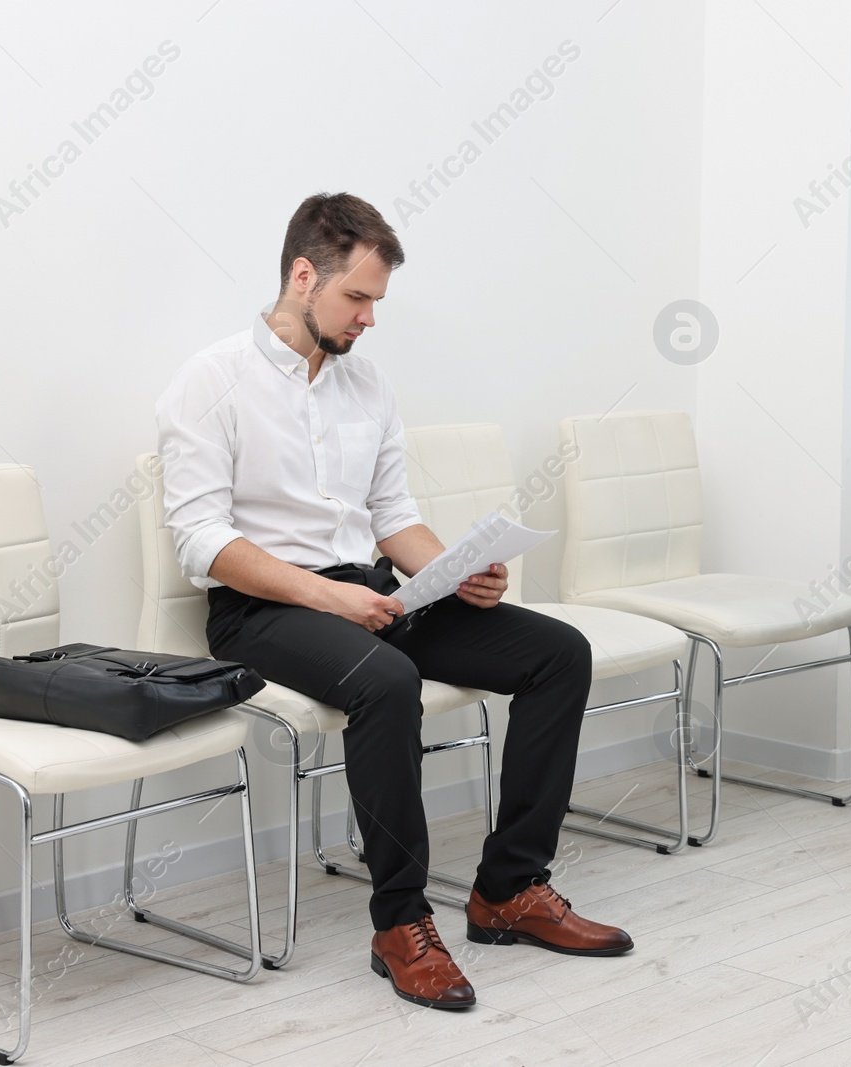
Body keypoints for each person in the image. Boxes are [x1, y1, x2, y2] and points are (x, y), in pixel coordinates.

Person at [155, 192, 633, 1010]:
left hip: (371, 595)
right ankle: (400, 923)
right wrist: (327, 600)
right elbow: (200, 541)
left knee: (558, 653)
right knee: (387, 682)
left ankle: (509, 890)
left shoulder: (366, 384)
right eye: (358, 297)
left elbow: (390, 517)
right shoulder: (210, 380)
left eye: (377, 300)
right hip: (262, 611)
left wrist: (455, 569)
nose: (370, 317)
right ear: (303, 277)